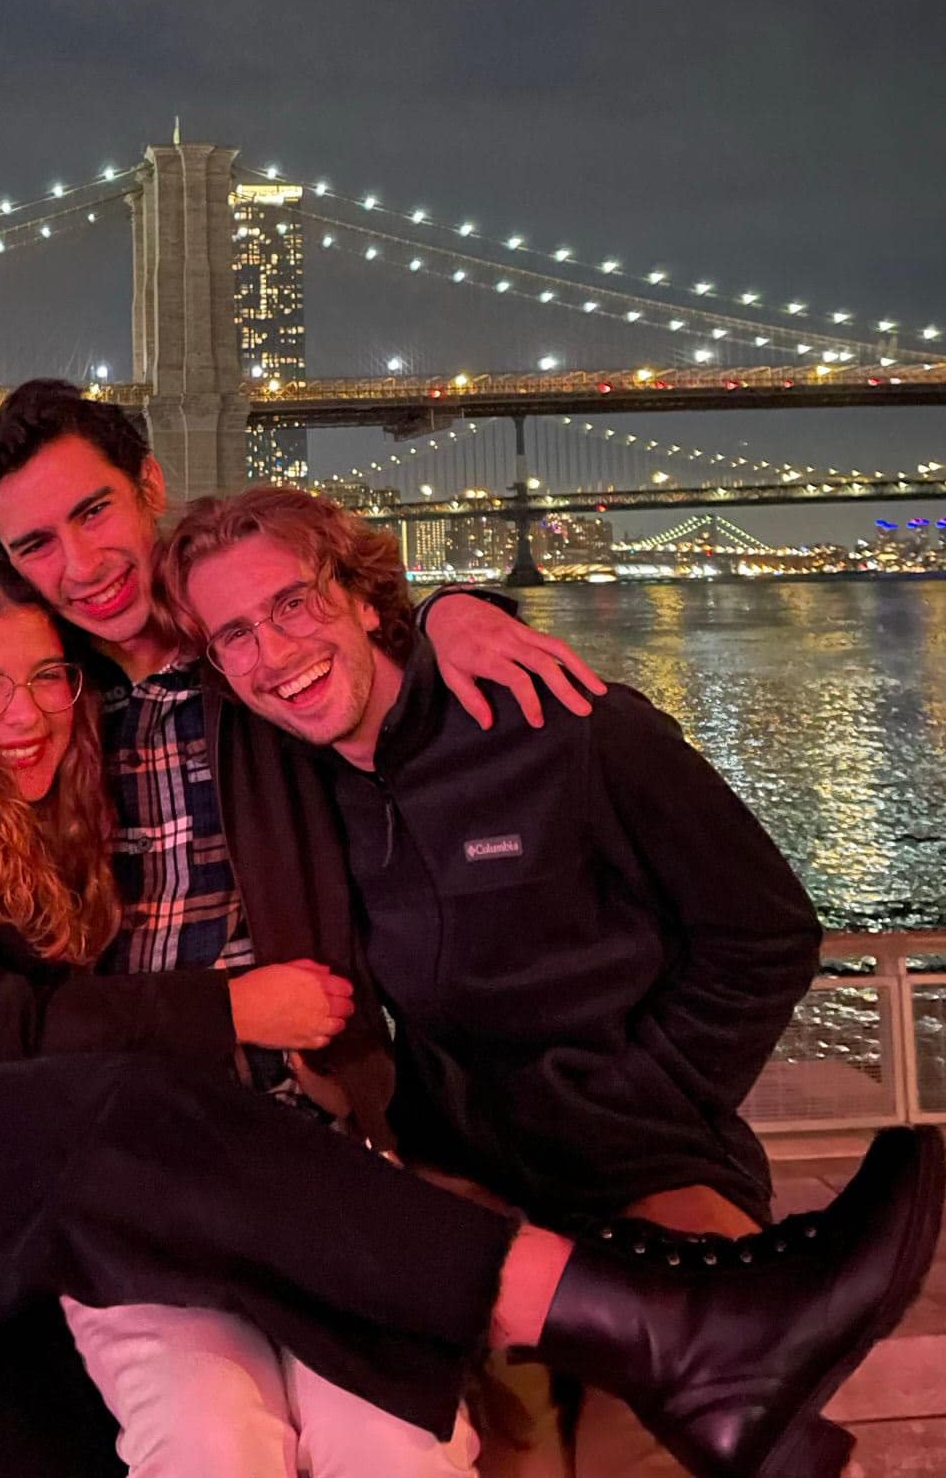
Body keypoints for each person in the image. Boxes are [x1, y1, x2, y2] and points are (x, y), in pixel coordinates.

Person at [0, 549, 943, 1478]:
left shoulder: (73, 820)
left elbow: (301, 630)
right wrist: (229, 1015)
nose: (29, 715)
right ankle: (658, 1325)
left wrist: (448, 600)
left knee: (28, 1447)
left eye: (50, 678)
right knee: (116, 1119)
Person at [0, 378, 608, 1471]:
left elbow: (353, 611)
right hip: (123, 1151)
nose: (79, 564)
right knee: (209, 1446)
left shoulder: (256, 656)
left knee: (396, 1445)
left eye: (95, 511)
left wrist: (455, 603)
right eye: (34, 542)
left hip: (313, 1128)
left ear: (151, 485)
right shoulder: (37, 687)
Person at [158, 485, 842, 1476]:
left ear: (361, 595)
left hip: (650, 1184)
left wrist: (629, 1101)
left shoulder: (567, 725)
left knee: (644, 1455)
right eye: (235, 632)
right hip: (475, 1202)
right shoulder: (309, 780)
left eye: (295, 603)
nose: (274, 651)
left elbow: (767, 934)